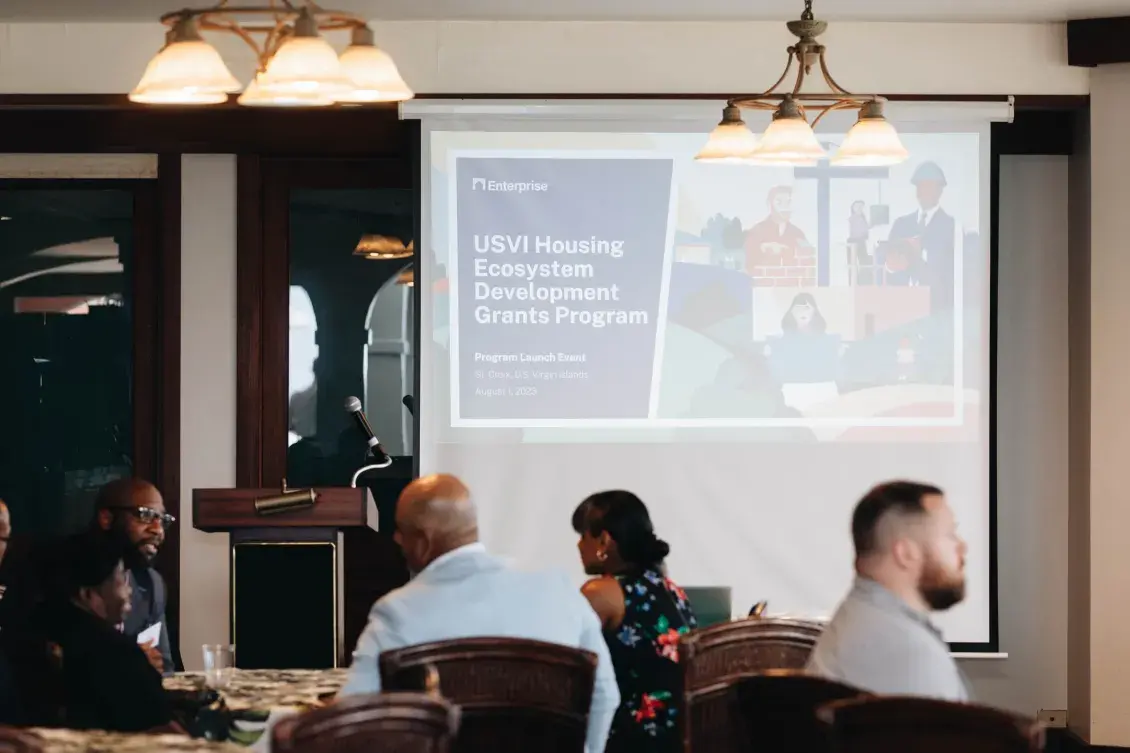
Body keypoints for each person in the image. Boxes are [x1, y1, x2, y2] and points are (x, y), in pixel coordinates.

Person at [341, 474, 620, 753]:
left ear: (423, 541)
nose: (396, 539)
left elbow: (350, 719)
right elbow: (605, 694)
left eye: (401, 530)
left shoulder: (397, 612)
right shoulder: (557, 587)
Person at [806, 481, 971, 701]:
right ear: (906, 554)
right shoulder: (909, 653)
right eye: (950, 534)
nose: (962, 547)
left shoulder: (862, 617)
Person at [573, 490, 696, 753]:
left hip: (630, 739)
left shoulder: (600, 592)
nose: (579, 546)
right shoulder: (674, 591)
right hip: (682, 736)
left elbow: (566, 662)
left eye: (582, 536)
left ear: (604, 540)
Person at [41, 533, 174, 731]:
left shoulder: (36, 633)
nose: (129, 590)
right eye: (121, 579)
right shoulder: (115, 651)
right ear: (87, 594)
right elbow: (163, 729)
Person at [92, 479, 176, 675]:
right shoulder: (67, 578)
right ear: (107, 518)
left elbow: (164, 667)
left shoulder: (151, 583)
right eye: (145, 515)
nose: (158, 530)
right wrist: (130, 663)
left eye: (162, 520)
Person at [885, 162, 957, 311]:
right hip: (901, 306)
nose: (923, 191)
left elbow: (952, 274)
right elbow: (887, 265)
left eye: (929, 186)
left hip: (938, 308)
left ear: (940, 191)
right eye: (920, 186)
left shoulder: (952, 227)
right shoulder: (901, 225)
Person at [744, 186, 813, 275]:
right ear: (769, 204)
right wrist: (762, 248)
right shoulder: (758, 230)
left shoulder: (797, 233)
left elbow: (808, 263)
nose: (784, 207)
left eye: (788, 202)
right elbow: (745, 257)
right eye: (779, 202)